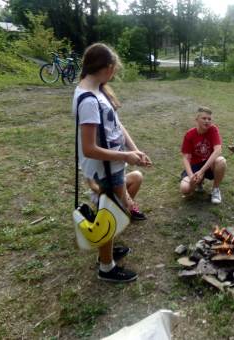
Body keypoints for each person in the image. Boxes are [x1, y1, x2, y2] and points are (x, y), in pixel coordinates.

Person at [73, 43, 152, 283]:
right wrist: (125, 156)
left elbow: (116, 126)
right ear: (106, 68)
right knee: (113, 213)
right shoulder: (88, 99)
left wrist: (134, 150)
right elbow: (89, 148)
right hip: (105, 168)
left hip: (114, 165)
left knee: (114, 210)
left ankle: (105, 250)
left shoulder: (98, 90)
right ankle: (106, 267)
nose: (115, 73)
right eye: (114, 69)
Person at [179, 107, 227, 204]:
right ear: (196, 120)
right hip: (194, 166)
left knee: (221, 161)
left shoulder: (213, 130)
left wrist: (202, 171)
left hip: (208, 165)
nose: (207, 121)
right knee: (185, 189)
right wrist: (191, 175)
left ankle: (215, 190)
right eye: (204, 118)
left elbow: (218, 151)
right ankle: (198, 183)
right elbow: (186, 158)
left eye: (209, 119)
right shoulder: (189, 135)